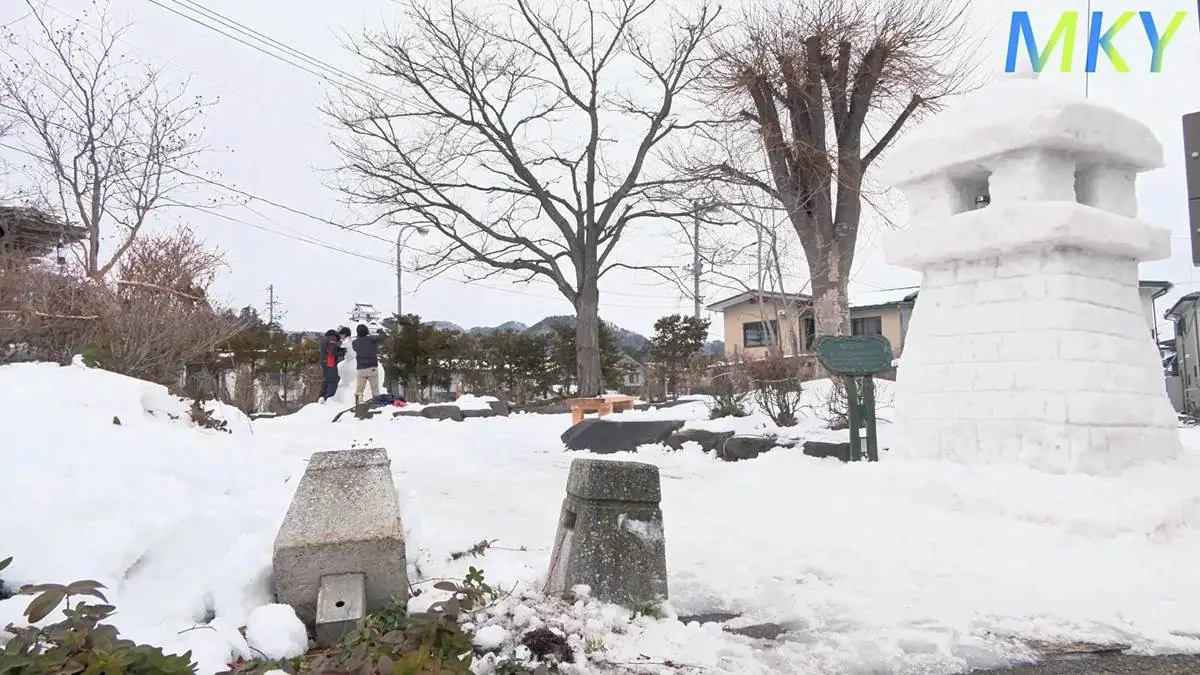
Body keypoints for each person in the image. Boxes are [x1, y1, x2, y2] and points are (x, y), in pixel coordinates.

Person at [352, 323, 382, 405]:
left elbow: (355, 348)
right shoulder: (372, 339)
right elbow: (380, 338)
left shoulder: (355, 342)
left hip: (361, 369)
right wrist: (380, 332)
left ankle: (359, 403)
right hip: (372, 367)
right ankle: (376, 403)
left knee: (359, 389)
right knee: (375, 389)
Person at [317, 329, 343, 402]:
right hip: (330, 362)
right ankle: (329, 399)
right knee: (333, 380)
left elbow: (329, 349)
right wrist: (341, 353)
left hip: (324, 362)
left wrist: (338, 349)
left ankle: (321, 397)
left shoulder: (324, 339)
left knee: (326, 380)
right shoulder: (333, 338)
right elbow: (332, 351)